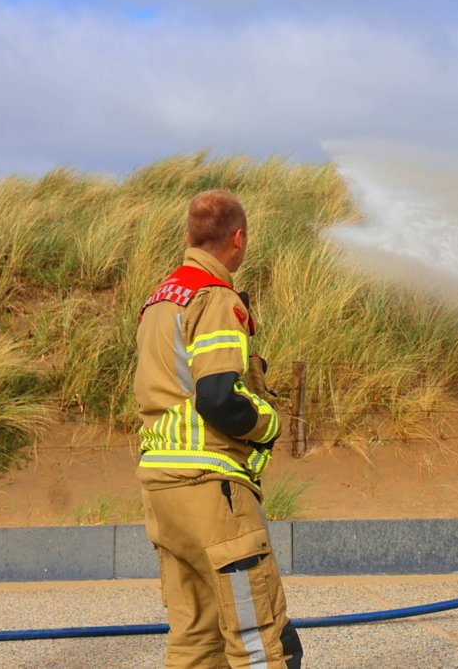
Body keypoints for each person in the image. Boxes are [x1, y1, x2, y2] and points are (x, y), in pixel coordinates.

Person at [135, 190, 302, 669]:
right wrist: (267, 424)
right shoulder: (216, 299)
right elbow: (217, 399)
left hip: (162, 491)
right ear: (240, 238)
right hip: (211, 489)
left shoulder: (160, 299)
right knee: (263, 641)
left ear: (189, 237)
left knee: (196, 641)